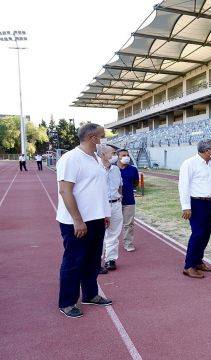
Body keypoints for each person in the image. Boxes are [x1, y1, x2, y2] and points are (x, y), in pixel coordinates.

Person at [56, 123, 113, 318]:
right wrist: (77, 220)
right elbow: (65, 190)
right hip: (77, 221)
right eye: (102, 136)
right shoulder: (71, 159)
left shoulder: (96, 159)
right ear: (92, 138)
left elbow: (98, 189)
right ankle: (67, 302)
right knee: (73, 262)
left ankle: (90, 294)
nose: (104, 140)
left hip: (96, 219)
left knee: (92, 260)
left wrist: (105, 214)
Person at [178, 139, 211, 279]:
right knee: (198, 234)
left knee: (206, 234)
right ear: (206, 150)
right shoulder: (189, 163)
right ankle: (189, 266)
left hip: (210, 203)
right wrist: (186, 207)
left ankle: (198, 261)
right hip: (197, 203)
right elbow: (183, 185)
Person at [97, 144, 123, 272]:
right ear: (102, 155)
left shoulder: (116, 169)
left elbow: (120, 186)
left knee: (114, 233)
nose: (114, 156)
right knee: (99, 234)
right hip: (101, 205)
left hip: (116, 204)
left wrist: (119, 198)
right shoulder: (96, 169)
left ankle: (111, 259)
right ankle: (97, 261)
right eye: (112, 154)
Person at [116, 149, 138, 252]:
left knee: (129, 224)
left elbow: (135, 183)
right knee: (112, 225)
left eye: (127, 155)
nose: (126, 157)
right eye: (124, 155)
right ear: (118, 157)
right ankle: (110, 245)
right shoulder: (113, 169)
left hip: (129, 200)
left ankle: (128, 244)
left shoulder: (133, 169)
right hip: (114, 201)